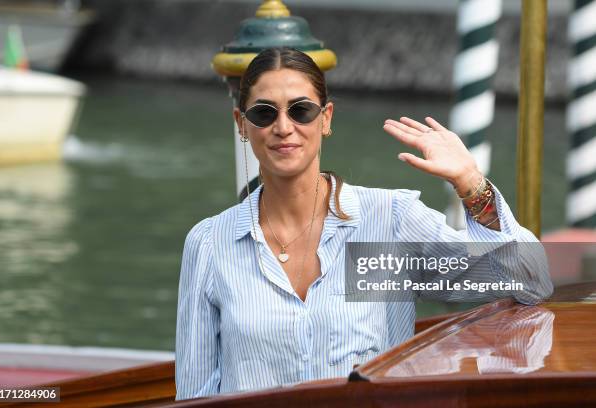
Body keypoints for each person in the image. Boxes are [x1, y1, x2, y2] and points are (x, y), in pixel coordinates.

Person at [175, 47, 553, 400]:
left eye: (301, 110)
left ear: (326, 119)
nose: (284, 126)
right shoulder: (211, 243)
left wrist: (470, 183)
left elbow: (531, 282)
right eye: (264, 113)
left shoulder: (389, 222)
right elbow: (196, 394)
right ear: (242, 124)